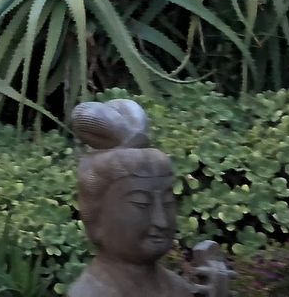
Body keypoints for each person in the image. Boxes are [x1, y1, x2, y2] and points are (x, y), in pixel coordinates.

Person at [67, 100, 230, 297]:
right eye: (141, 204)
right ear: (95, 216)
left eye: (168, 202)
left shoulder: (177, 288)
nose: (160, 221)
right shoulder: (91, 293)